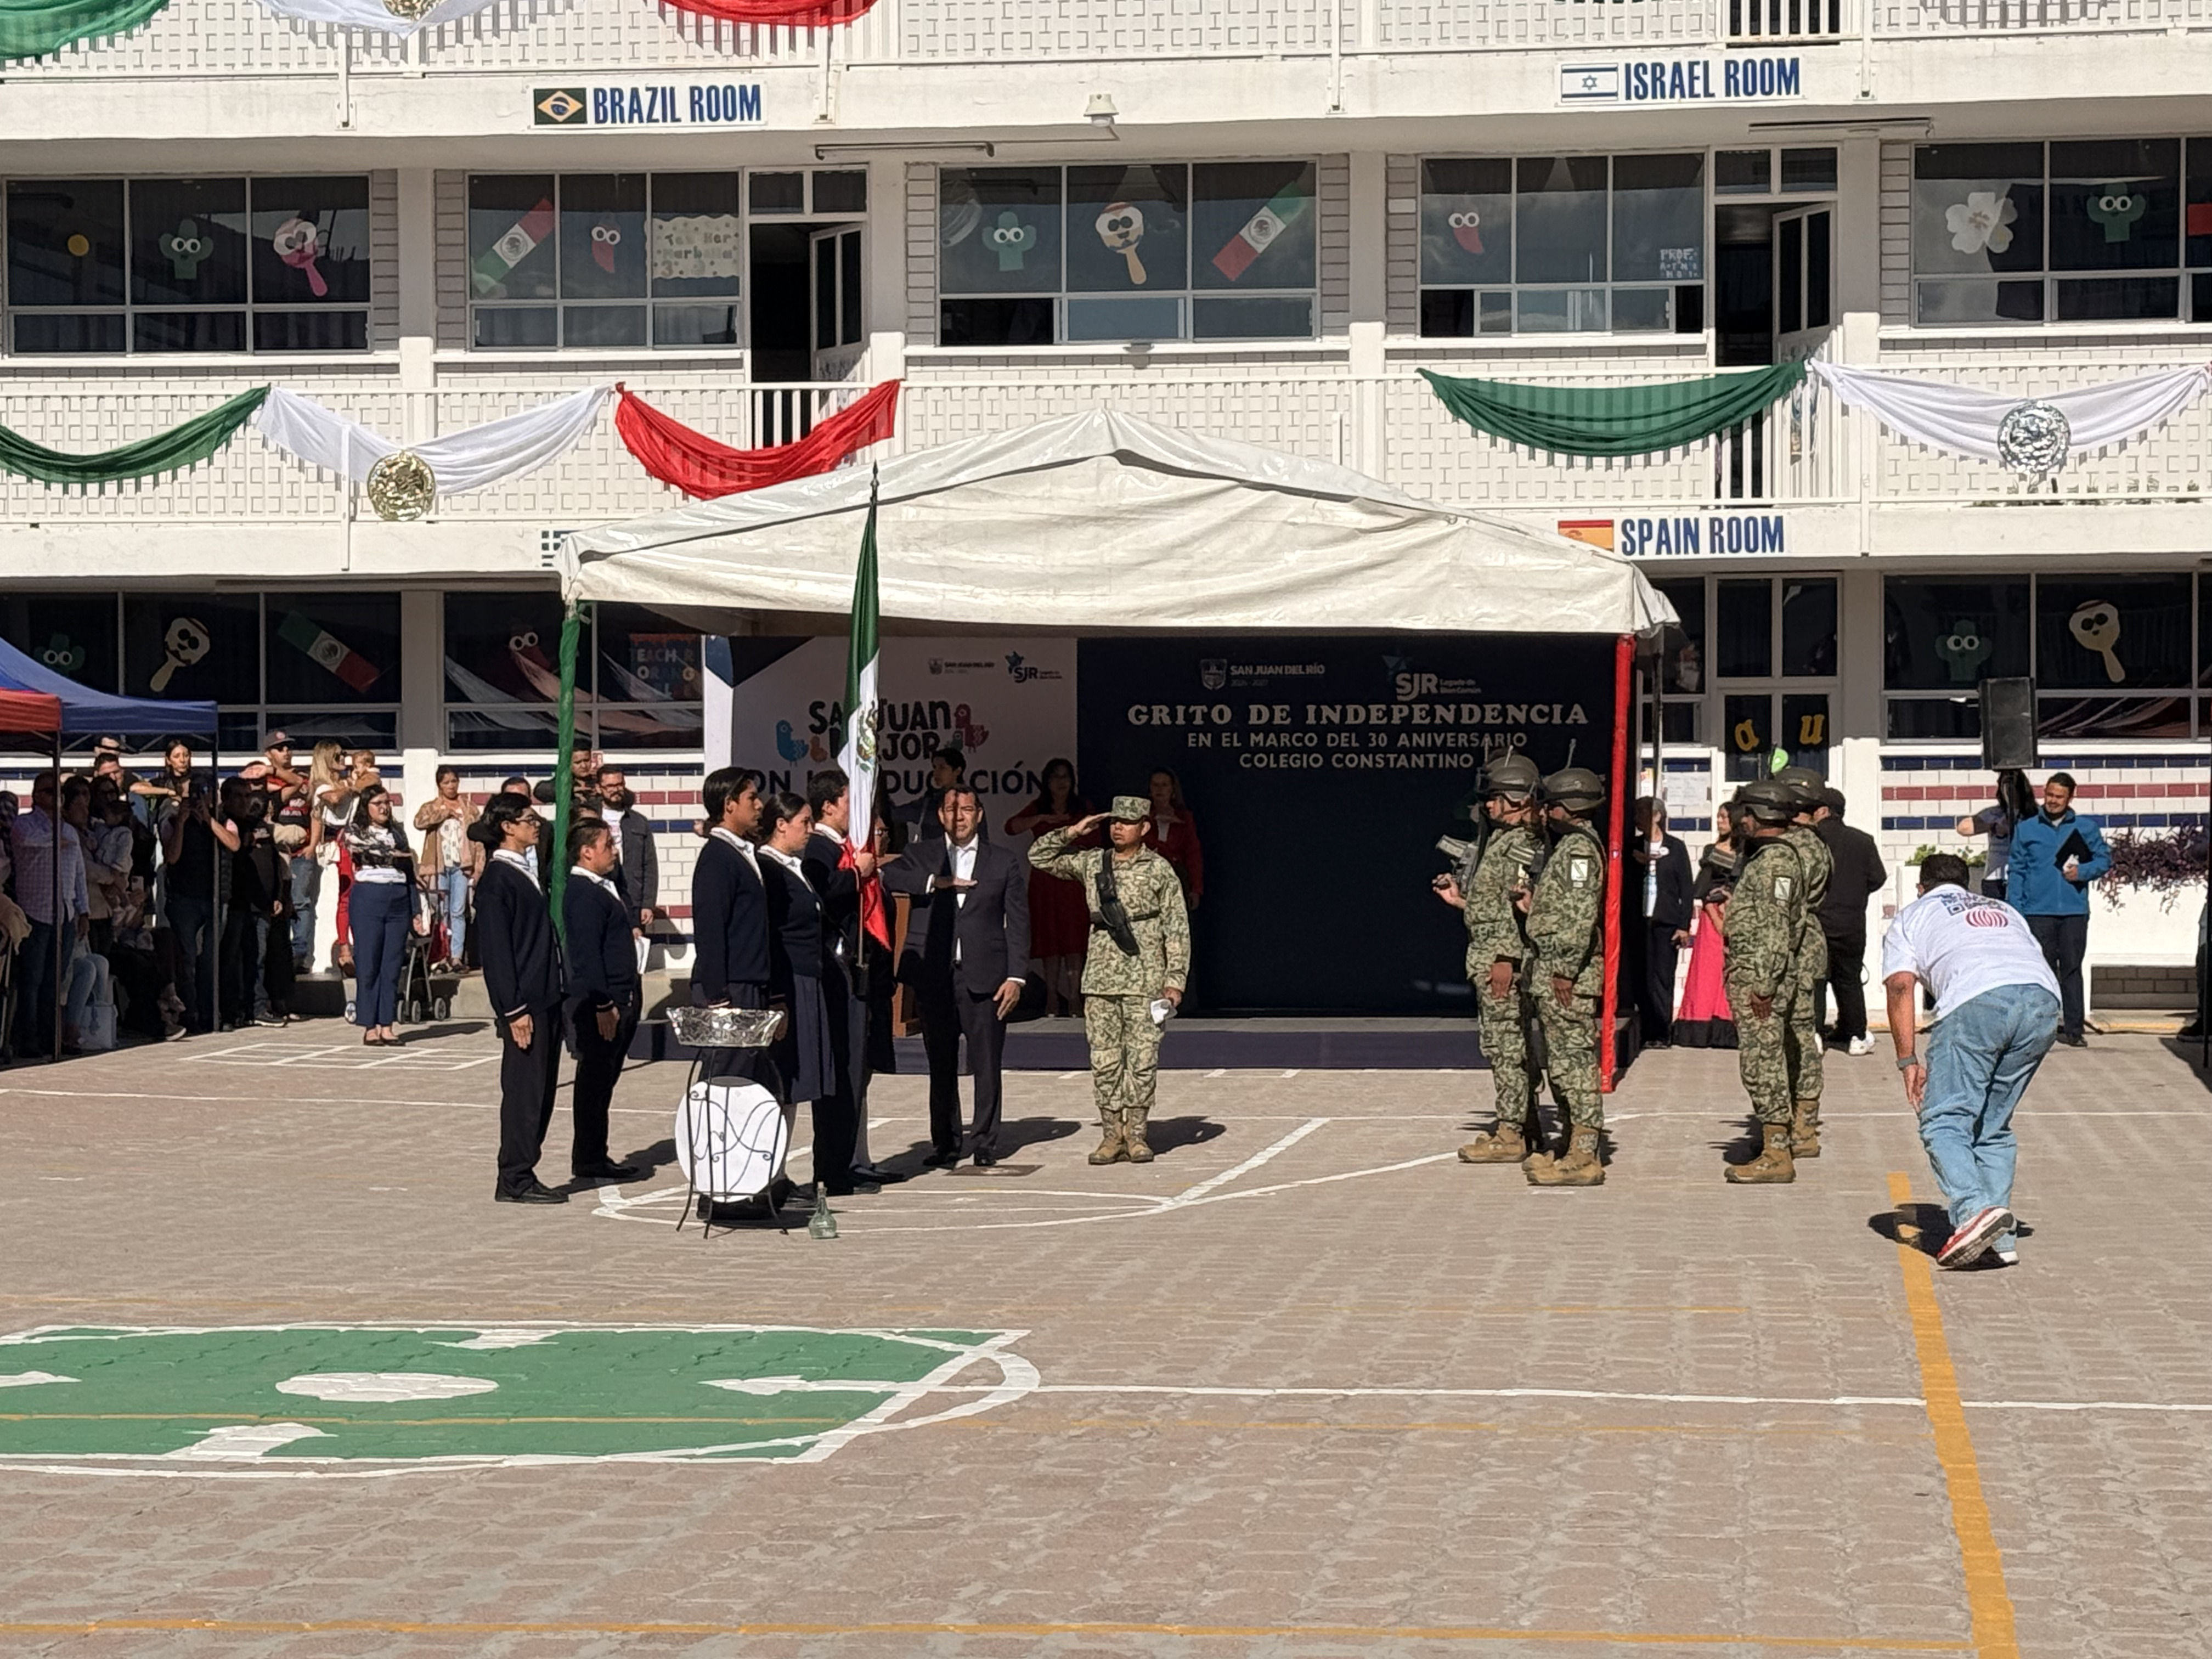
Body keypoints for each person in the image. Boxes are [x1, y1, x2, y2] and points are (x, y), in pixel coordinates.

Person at [1883, 851, 2061, 1268]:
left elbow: (1899, 987)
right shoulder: (2002, 909)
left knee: (1943, 1119)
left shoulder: (1913, 916)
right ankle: (2001, 1239)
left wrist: (1908, 1060)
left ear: (1921, 887)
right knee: (1992, 1124)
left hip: (1976, 1000)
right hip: (2042, 1002)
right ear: (1969, 885)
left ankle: (1974, 1210)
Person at [1031, 795, 1187, 1165]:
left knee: (1143, 1059)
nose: (1118, 827)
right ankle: (1110, 1134)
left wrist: (1175, 980)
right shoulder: (1093, 862)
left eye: (1128, 822)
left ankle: (1136, 1133)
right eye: (1114, 821)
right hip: (1100, 980)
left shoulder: (1159, 869)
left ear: (1144, 828)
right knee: (1104, 1060)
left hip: (1146, 979)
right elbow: (1038, 857)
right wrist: (1073, 830)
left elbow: (1176, 927)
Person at [886, 783, 1031, 1169]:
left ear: (980, 815)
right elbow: (888, 877)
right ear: (940, 816)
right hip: (936, 976)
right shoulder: (922, 854)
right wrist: (935, 883)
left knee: (986, 1064)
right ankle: (946, 1142)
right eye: (952, 810)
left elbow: (1017, 922)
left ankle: (985, 1140)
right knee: (942, 1064)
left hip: (986, 976)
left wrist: (1016, 976)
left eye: (967, 809)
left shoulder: (1002, 861)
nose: (960, 817)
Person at [1434, 755, 1546, 1163]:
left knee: (1507, 1049)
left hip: (1502, 962)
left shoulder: (1520, 844)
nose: (1488, 806)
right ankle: (1525, 1125)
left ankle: (1512, 1132)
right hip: (1487, 956)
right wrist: (1461, 900)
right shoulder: (1499, 840)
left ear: (1517, 798)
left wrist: (1504, 959)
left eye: (1496, 797)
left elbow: (1519, 909)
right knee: (1503, 1046)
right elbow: (1494, 908)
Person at [803, 768, 902, 1192]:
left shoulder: (847, 847)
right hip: (840, 970)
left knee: (860, 1070)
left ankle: (852, 1158)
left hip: (865, 973)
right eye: (850, 802)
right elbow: (822, 894)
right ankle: (835, 1166)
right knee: (843, 1074)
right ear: (828, 806)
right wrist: (856, 874)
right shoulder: (821, 850)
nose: (857, 812)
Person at [1518, 767, 1610, 1188]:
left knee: (1574, 1066)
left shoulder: (1578, 852)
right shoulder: (1570, 847)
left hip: (1565, 975)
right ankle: (1573, 1143)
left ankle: (1585, 1155)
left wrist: (1565, 970)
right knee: (1561, 1065)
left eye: (1550, 804)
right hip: (1555, 970)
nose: (1544, 812)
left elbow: (1579, 916)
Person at [473, 796, 567, 1205]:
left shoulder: (526, 871)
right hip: (524, 1003)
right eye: (529, 820)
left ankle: (526, 1168)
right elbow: (496, 953)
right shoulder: (498, 879)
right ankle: (514, 1175)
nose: (537, 825)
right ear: (508, 827)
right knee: (524, 1091)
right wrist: (513, 1009)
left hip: (546, 995)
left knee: (543, 1089)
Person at [1720, 781, 1808, 1185]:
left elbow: (1774, 926)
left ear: (1760, 817)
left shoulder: (1775, 863)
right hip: (1756, 973)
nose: (1742, 822)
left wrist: (1765, 984)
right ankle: (1775, 1141)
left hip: (1761, 977)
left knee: (1764, 1063)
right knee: (1761, 1060)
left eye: (1746, 815)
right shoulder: (1766, 858)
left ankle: (1777, 1151)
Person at [759, 792, 840, 1190]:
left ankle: (780, 1172)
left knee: (796, 1084)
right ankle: (769, 1172)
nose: (810, 831)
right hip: (789, 985)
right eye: (805, 823)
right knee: (782, 1080)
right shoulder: (769, 869)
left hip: (807, 980)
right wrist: (778, 998)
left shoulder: (795, 867)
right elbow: (771, 936)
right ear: (781, 824)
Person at [562, 821, 644, 1187]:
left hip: (623, 994)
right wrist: (602, 1003)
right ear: (586, 851)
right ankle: (589, 1156)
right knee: (595, 1080)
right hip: (603, 1001)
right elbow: (587, 954)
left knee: (606, 1080)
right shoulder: (583, 892)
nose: (614, 850)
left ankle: (596, 1151)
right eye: (607, 844)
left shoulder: (605, 886)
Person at [2007, 771, 2111, 1049]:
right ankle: (2042, 1027)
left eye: (2059, 797)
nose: (2053, 801)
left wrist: (2083, 872)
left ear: (2071, 798)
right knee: (2041, 971)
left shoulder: (2086, 828)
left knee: (2071, 969)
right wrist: (2015, 909)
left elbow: (2104, 859)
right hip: (2037, 911)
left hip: (2074, 912)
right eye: (2050, 795)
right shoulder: (2027, 829)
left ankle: (2074, 1029)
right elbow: (2016, 870)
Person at [689, 766, 771, 1083]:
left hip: (751, 984)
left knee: (750, 1081)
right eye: (752, 797)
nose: (760, 804)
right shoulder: (717, 858)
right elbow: (710, 930)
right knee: (727, 1080)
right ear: (729, 805)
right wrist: (718, 997)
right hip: (731, 990)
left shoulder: (741, 852)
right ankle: (709, 1134)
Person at [1773, 767, 1833, 1155]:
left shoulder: (1797, 846)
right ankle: (1802, 1125)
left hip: (1792, 948)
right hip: (1801, 945)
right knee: (1798, 1038)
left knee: (1795, 1040)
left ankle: (1800, 1127)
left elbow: (1784, 905)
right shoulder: (1810, 842)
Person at [1005, 758, 1093, 1018]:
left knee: (1074, 941)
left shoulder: (1081, 808)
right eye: (1056, 777)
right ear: (1047, 781)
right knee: (1050, 942)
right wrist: (1042, 818)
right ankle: (1053, 999)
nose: (1061, 782)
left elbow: (1097, 839)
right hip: (1045, 882)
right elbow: (1010, 827)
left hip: (1072, 881)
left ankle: (1075, 999)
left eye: (1066, 777)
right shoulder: (1038, 807)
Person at [13, 772, 91, 1059]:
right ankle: (28, 1038)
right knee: (31, 981)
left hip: (64, 913)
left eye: (57, 792)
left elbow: (79, 874)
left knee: (54, 981)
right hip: (35, 912)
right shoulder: (23, 824)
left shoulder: (68, 831)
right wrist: (57, 838)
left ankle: (51, 1038)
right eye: (48, 791)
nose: (53, 797)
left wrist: (83, 910)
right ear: (36, 795)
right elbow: (30, 841)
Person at [1812, 786, 1889, 1059]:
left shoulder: (1811, 840)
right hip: (1851, 923)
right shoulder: (1862, 841)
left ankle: (1815, 1034)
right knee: (1850, 981)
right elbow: (1878, 878)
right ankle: (1856, 1035)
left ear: (1823, 811)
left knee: (1816, 980)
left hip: (1817, 923)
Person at [157, 767, 234, 1036]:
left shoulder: (222, 817)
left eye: (205, 791)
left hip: (213, 895)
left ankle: (212, 1012)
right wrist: (182, 821)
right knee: (187, 959)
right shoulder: (173, 818)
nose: (200, 796)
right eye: (195, 791)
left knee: (211, 959)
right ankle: (191, 1014)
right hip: (185, 897)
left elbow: (233, 844)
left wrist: (209, 820)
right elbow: (172, 857)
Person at [341, 785, 414, 1046]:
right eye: (378, 803)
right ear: (366, 807)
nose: (384, 807)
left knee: (392, 964)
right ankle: (369, 1025)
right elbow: (364, 850)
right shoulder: (355, 830)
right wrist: (393, 854)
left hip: (397, 898)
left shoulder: (397, 831)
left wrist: (416, 909)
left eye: (387, 802)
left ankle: (387, 1024)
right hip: (369, 897)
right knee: (369, 962)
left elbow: (409, 867)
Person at [216, 774, 288, 1031]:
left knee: (258, 958)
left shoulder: (259, 825)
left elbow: (274, 863)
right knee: (231, 960)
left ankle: (257, 1008)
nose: (245, 801)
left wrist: (277, 896)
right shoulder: (225, 824)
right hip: (235, 904)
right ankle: (231, 1011)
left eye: (248, 796)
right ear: (225, 799)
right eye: (238, 796)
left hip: (262, 904)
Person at [1672, 805, 1740, 1049]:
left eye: (1724, 817)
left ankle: (1727, 1024)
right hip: (1712, 919)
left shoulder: (1746, 853)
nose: (1719, 821)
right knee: (1706, 971)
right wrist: (1713, 913)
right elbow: (1701, 888)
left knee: (1730, 972)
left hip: (1736, 917)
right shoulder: (1712, 851)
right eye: (1719, 816)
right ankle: (1699, 1025)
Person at [1629, 796, 1693, 1052]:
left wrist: (1683, 924)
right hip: (1639, 921)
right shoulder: (1633, 847)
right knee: (1641, 977)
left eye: (1644, 814)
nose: (1638, 819)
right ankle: (1645, 1029)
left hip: (1665, 922)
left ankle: (1662, 1031)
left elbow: (1685, 888)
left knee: (1662, 977)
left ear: (1657, 817)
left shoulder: (1676, 848)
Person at [413, 765, 481, 968]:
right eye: (446, 783)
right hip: (439, 865)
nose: (451, 786)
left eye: (454, 781)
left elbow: (478, 839)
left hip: (462, 865)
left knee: (458, 910)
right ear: (439, 785)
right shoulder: (432, 807)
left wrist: (478, 868)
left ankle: (457, 956)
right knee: (440, 910)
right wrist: (443, 813)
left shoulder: (469, 808)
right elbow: (419, 822)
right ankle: (441, 955)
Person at [596, 765, 659, 975]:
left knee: (633, 963)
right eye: (610, 786)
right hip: (599, 897)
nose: (616, 790)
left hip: (632, 899)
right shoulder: (589, 819)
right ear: (599, 788)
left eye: (619, 784)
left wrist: (648, 904)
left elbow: (650, 865)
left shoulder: (638, 822)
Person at [1956, 769, 2033, 904]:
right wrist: (1993, 826)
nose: (2008, 790)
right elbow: (1963, 828)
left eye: (2012, 786)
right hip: (1995, 879)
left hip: (2024, 875)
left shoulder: (2032, 814)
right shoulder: (1994, 813)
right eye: (2004, 785)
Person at [1143, 766, 1204, 909]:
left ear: (1173, 790)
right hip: (1145, 878)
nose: (1160, 789)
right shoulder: (1142, 817)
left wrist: (1196, 889)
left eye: (1164, 785)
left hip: (1175, 877)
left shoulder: (1184, 818)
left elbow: (1193, 854)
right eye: (1155, 785)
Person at [901, 748, 967, 843]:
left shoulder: (971, 801)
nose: (936, 773)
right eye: (935, 767)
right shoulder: (930, 801)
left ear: (957, 771)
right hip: (932, 855)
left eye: (942, 768)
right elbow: (901, 813)